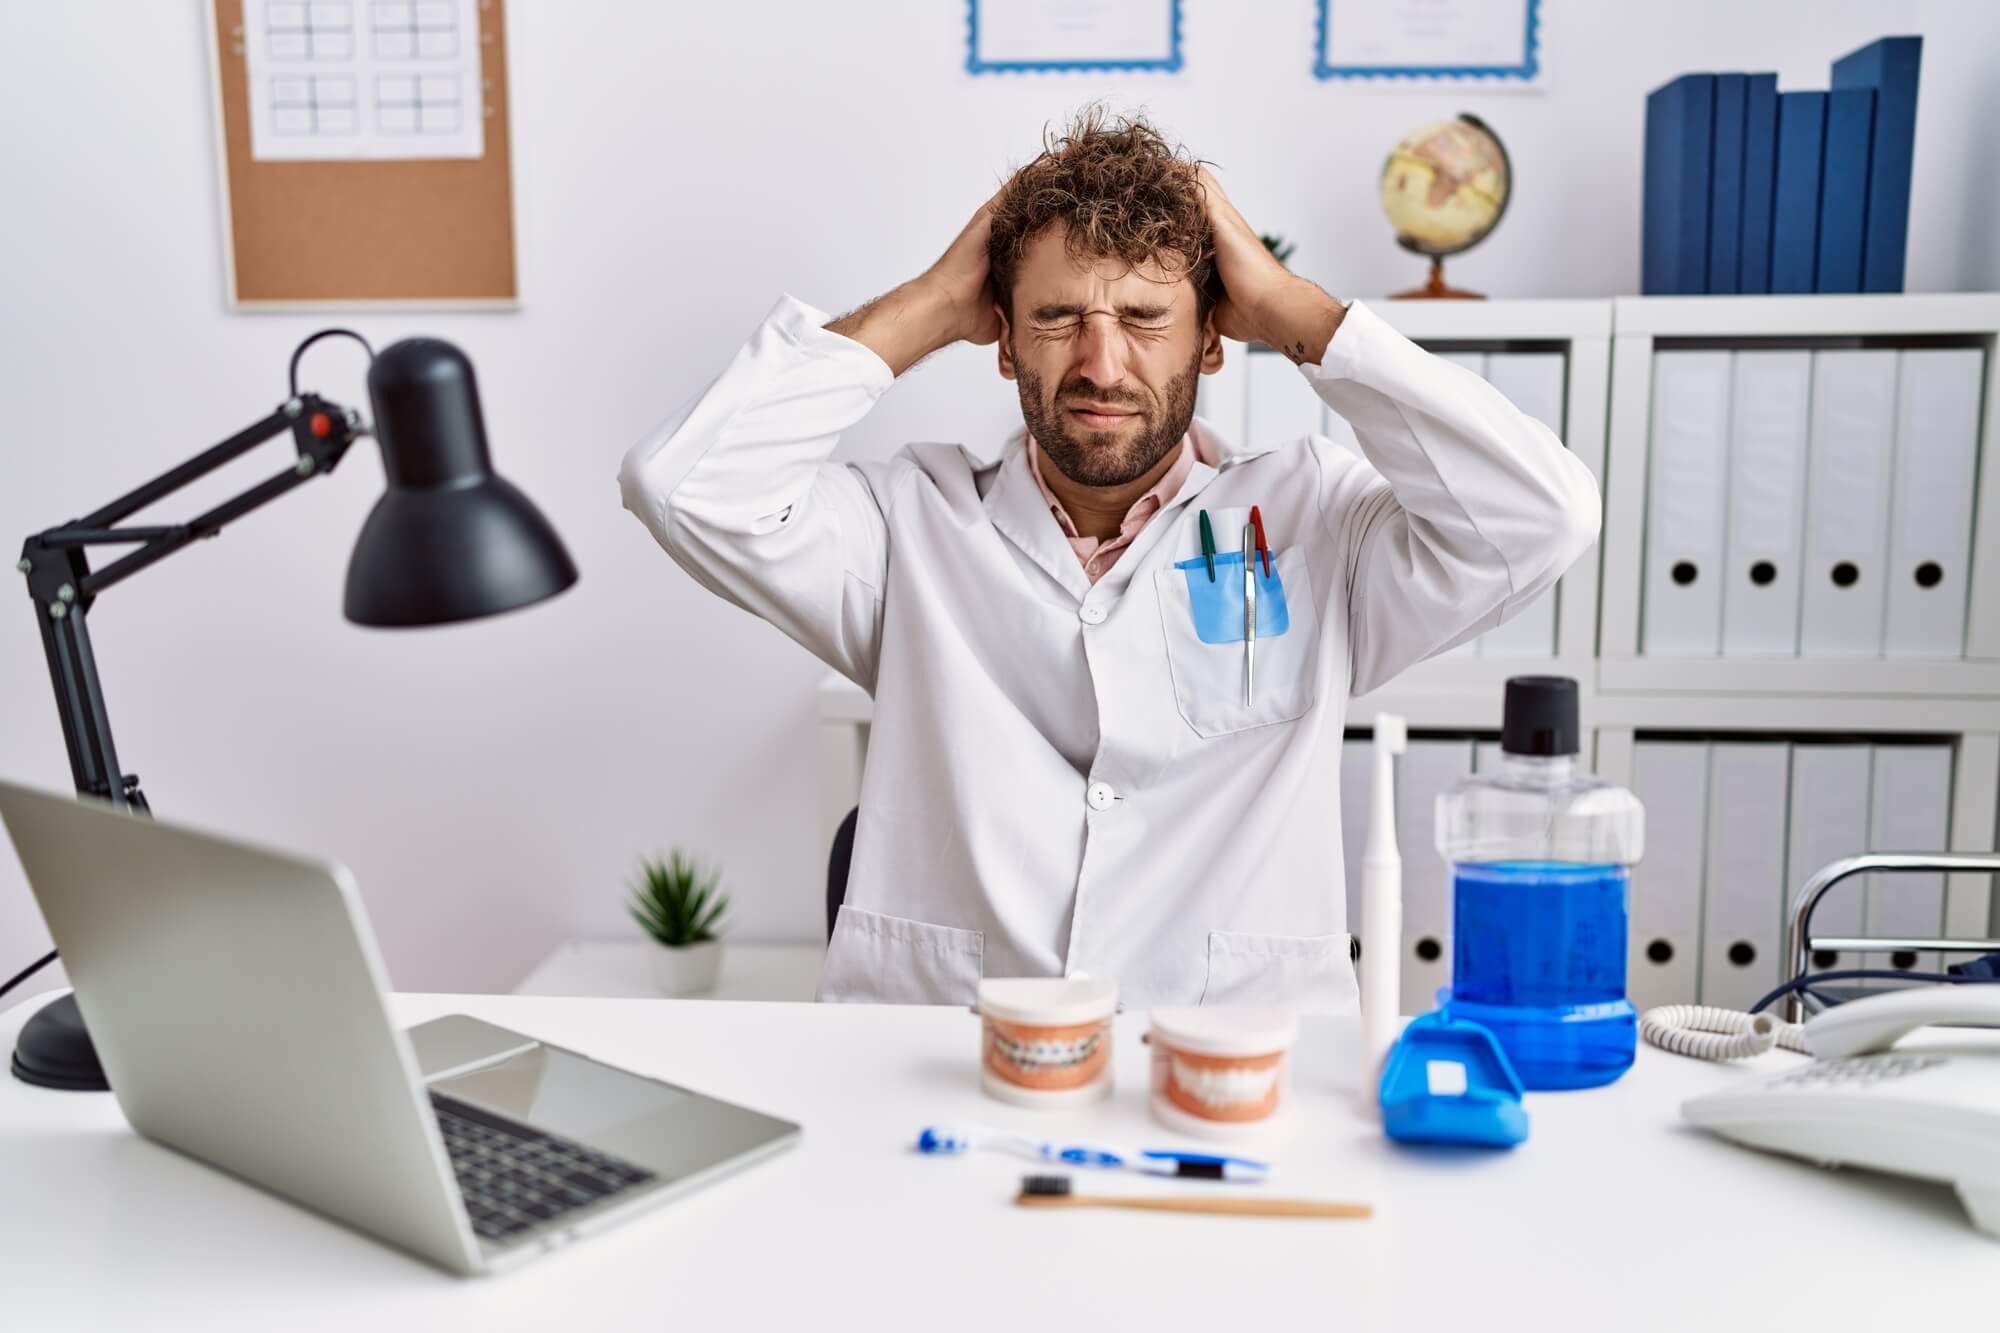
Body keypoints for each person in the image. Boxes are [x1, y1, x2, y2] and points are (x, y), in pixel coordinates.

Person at [619, 109, 1599, 1011]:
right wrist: (927, 302)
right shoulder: (905, 528)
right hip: (934, 1060)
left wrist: (1297, 313)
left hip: (1231, 1065)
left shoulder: (1315, 522)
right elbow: (683, 485)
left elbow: (1539, 518)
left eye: (1142, 318)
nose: (1099, 364)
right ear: (998, 339)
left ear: (1213, 339)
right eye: (1053, 319)